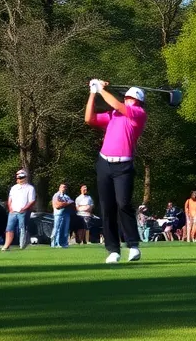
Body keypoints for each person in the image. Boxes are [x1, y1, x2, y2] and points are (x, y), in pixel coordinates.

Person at [85, 80, 148, 264]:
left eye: (131, 99)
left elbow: (116, 104)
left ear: (137, 102)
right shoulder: (113, 115)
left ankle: (133, 245)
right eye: (127, 97)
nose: (128, 100)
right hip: (104, 163)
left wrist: (101, 89)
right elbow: (89, 119)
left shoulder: (138, 114)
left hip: (124, 167)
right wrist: (92, 93)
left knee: (123, 204)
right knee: (107, 209)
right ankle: (113, 250)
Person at [3, 169, 37, 251]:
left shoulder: (30, 188)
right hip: (13, 211)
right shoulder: (14, 187)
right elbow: (10, 198)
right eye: (18, 178)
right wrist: (10, 207)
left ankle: (22, 245)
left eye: (21, 178)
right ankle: (6, 245)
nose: (19, 179)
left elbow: (32, 200)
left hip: (23, 212)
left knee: (22, 229)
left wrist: (24, 208)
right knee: (9, 229)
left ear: (25, 177)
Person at [51, 182, 73, 248]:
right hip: (58, 214)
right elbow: (57, 205)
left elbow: (72, 204)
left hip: (66, 214)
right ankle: (55, 243)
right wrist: (66, 204)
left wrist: (62, 204)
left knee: (65, 229)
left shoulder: (67, 197)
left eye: (65, 187)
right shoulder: (56, 195)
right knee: (57, 229)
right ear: (59, 188)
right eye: (63, 187)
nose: (64, 188)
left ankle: (64, 243)